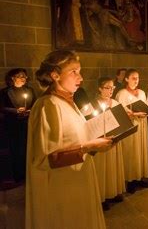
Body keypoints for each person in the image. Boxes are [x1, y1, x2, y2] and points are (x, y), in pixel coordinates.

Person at [25, 50, 113, 229]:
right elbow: (44, 158)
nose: (80, 77)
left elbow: (75, 137)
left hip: (77, 181)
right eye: (74, 71)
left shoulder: (68, 101)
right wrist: (87, 147)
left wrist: (96, 142)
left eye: (79, 71)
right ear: (55, 75)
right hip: (61, 188)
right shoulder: (48, 105)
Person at [82, 77, 126, 210]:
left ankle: (114, 191)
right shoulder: (91, 105)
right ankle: (101, 196)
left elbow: (122, 119)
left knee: (114, 166)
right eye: (107, 87)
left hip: (114, 139)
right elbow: (85, 122)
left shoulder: (116, 103)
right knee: (102, 169)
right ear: (100, 89)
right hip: (100, 142)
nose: (111, 90)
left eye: (113, 87)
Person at [115, 69, 148, 192]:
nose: (136, 80)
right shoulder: (122, 94)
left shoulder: (141, 92)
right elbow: (119, 112)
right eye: (133, 78)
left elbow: (145, 106)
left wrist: (146, 112)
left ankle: (139, 176)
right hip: (130, 126)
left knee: (140, 150)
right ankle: (130, 179)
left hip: (141, 124)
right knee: (131, 151)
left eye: (138, 78)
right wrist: (134, 113)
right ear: (126, 79)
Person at [0, 68, 36, 182]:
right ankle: (18, 175)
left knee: (27, 149)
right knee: (16, 150)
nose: (23, 78)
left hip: (27, 124)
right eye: (20, 76)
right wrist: (16, 111)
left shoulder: (30, 90)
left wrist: (30, 111)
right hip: (12, 126)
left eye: (24, 76)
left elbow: (35, 104)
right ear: (12, 78)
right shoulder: (5, 92)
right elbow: (2, 107)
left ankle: (28, 174)